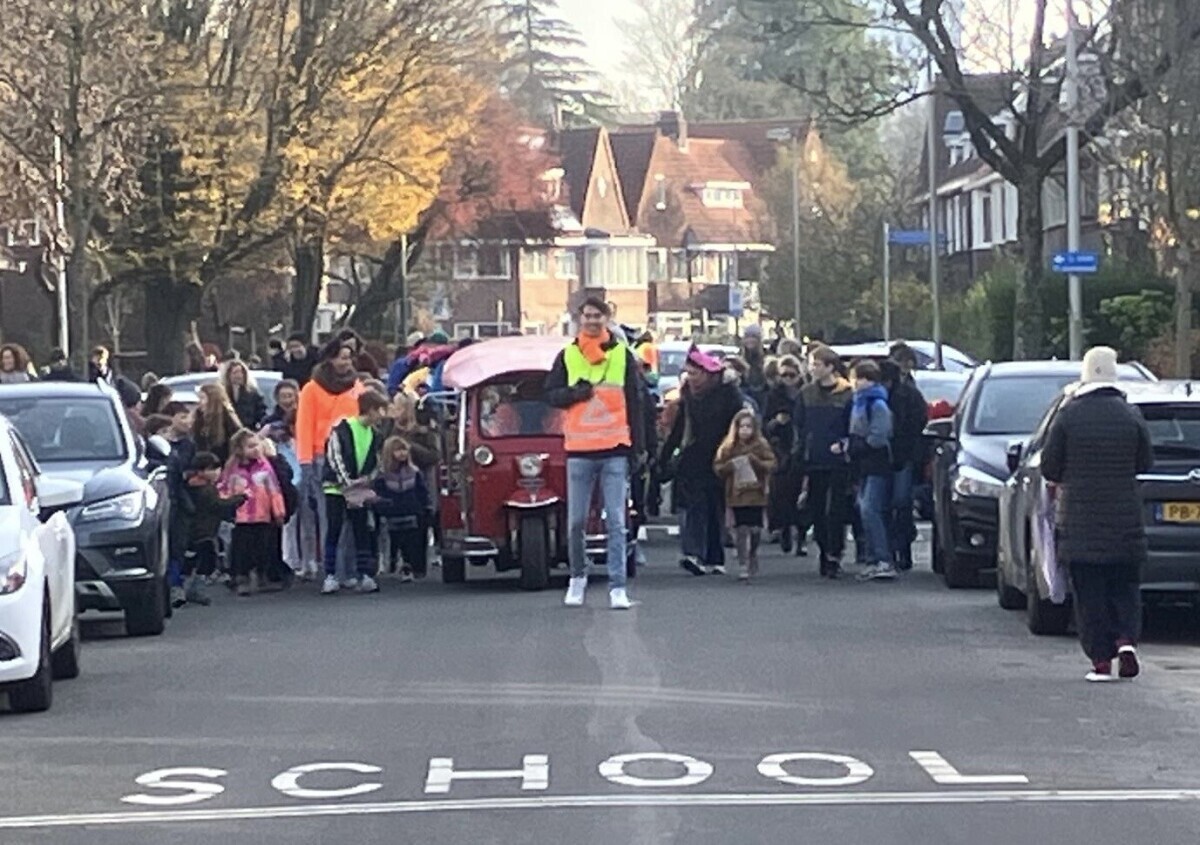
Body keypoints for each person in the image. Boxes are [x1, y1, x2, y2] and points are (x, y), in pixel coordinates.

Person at [1042, 346, 1153, 682]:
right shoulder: (1130, 414)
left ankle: (1101, 661)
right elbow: (1145, 462)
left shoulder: (1068, 416)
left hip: (1081, 523)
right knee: (1125, 587)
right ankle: (1127, 641)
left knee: (1090, 594)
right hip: (1125, 521)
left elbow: (1050, 467)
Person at [544, 297, 646, 610]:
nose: (591, 321)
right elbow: (550, 394)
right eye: (587, 315)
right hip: (579, 450)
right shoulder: (568, 355)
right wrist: (574, 394)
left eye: (597, 316)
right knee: (576, 522)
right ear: (579, 319)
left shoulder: (622, 355)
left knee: (616, 521)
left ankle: (618, 587)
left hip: (615, 447)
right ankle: (578, 578)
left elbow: (636, 401)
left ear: (606, 319)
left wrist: (639, 447)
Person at [660, 346, 743, 577]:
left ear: (707, 373)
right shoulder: (688, 395)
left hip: (721, 457)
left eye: (694, 373)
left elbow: (739, 426)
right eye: (688, 373)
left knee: (715, 508)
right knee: (695, 507)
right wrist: (664, 457)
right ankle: (694, 554)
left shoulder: (729, 394)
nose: (691, 378)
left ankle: (715, 558)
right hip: (693, 458)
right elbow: (680, 428)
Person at [297, 340, 366, 584]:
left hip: (351, 457)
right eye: (342, 357)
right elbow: (304, 425)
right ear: (330, 359)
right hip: (321, 457)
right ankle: (332, 571)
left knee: (352, 516)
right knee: (329, 516)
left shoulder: (356, 386)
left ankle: (350, 570)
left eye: (349, 357)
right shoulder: (311, 388)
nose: (347, 362)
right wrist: (305, 461)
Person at [321, 390, 389, 595]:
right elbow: (335, 457)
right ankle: (330, 575)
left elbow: (378, 462)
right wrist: (348, 484)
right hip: (335, 489)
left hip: (359, 491)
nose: (383, 415)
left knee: (362, 530)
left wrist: (367, 480)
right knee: (334, 529)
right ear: (370, 409)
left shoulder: (376, 435)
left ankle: (364, 574)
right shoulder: (341, 428)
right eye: (380, 410)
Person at [794, 346, 853, 578]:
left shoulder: (847, 393)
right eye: (811, 364)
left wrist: (845, 445)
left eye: (817, 364)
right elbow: (799, 425)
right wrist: (800, 452)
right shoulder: (806, 393)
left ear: (830, 367)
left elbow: (852, 425)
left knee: (836, 509)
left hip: (838, 460)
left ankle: (834, 553)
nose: (812, 369)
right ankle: (823, 550)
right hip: (814, 458)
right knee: (817, 508)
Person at [221, 429, 288, 596]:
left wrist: (279, 512)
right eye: (250, 446)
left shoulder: (265, 466)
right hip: (241, 516)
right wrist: (226, 508)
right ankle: (241, 578)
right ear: (239, 449)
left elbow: (274, 489)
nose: (256, 449)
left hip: (262, 515)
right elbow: (224, 488)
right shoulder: (232, 469)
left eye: (257, 445)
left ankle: (263, 576)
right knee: (242, 549)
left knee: (263, 547)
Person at [380, 393, 441, 574]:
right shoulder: (388, 428)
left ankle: (418, 565)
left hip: (418, 482)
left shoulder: (424, 431)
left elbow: (434, 456)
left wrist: (410, 447)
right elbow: (381, 448)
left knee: (419, 525)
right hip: (393, 483)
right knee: (394, 527)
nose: (395, 410)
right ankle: (393, 561)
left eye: (399, 407)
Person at [713, 409, 776, 582]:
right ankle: (743, 563)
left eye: (748, 427)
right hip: (737, 493)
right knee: (741, 529)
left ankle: (753, 552)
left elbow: (771, 464)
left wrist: (757, 462)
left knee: (755, 529)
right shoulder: (728, 446)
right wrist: (730, 466)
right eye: (742, 427)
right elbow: (718, 466)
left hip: (756, 493)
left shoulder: (761, 445)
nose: (745, 430)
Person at [847, 360, 895, 582]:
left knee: (870, 509)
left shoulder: (877, 405)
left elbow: (879, 436)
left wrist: (858, 445)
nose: (855, 382)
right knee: (863, 508)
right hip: (864, 463)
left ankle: (883, 559)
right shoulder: (858, 402)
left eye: (859, 378)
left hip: (876, 462)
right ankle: (873, 558)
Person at [180, 452, 247, 607]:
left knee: (192, 560)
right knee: (207, 561)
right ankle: (195, 589)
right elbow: (217, 506)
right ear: (200, 471)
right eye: (212, 469)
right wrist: (239, 499)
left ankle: (187, 587)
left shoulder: (189, 486)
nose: (217, 473)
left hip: (193, 530)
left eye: (218, 469)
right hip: (205, 531)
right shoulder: (206, 490)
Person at [880, 359, 928, 572]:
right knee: (888, 504)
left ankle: (903, 546)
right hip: (884, 457)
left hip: (903, 456)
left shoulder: (909, 396)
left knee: (901, 501)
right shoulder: (878, 397)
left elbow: (919, 421)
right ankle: (892, 548)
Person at [373, 436, 430, 581]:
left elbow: (422, 492)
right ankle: (392, 564)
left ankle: (409, 567)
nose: (402, 453)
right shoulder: (382, 475)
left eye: (404, 450)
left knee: (412, 543)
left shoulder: (414, 472)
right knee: (394, 542)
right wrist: (384, 507)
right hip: (392, 514)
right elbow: (379, 494)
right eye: (398, 450)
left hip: (412, 512)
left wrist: (424, 507)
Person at [764, 354, 804, 553]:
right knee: (780, 493)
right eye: (783, 375)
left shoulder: (806, 393)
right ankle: (783, 529)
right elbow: (764, 425)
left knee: (802, 494)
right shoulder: (773, 395)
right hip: (780, 448)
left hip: (801, 446)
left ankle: (801, 537)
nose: (788, 379)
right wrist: (776, 422)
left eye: (791, 374)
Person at [193, 382, 243, 466]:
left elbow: (236, 444)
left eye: (202, 398)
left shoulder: (228, 419)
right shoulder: (198, 418)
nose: (199, 402)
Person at [222, 359, 268, 431]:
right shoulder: (222, 394)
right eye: (235, 372)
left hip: (248, 431)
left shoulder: (253, 394)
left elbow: (262, 415)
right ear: (228, 375)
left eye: (241, 372)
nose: (239, 375)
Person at [739, 324, 768, 408]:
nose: (750, 340)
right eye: (747, 337)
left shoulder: (767, 356)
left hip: (763, 395)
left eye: (753, 337)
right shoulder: (739, 357)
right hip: (745, 396)